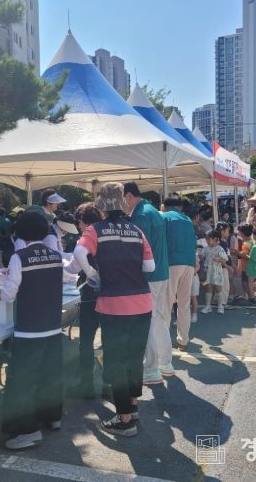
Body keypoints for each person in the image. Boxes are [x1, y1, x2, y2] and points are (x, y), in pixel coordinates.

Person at [73, 182, 154, 437]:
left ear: (102, 208)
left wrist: (91, 273)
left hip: (113, 305)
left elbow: (79, 252)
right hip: (143, 302)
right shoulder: (136, 231)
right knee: (134, 357)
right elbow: (150, 267)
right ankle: (133, 405)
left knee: (116, 361)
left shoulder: (95, 230)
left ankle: (124, 419)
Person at [0, 211, 64, 450]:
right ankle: (53, 417)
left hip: (30, 329)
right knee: (50, 374)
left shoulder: (19, 257)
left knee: (22, 381)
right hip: (53, 326)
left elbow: (10, 293)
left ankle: (27, 431)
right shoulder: (55, 255)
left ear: (20, 232)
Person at [123, 182, 171, 384]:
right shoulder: (152, 211)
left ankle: (151, 369)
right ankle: (166, 363)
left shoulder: (140, 215)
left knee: (147, 322)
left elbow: (139, 250)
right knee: (158, 319)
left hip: (149, 275)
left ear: (128, 196)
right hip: (161, 272)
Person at [64, 203, 103, 399]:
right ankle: (108, 385)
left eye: (78, 222)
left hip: (90, 295)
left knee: (86, 341)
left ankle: (86, 385)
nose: (78, 226)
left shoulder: (85, 239)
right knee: (109, 341)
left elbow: (73, 268)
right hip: (110, 294)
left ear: (82, 221)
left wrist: (60, 264)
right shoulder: (106, 235)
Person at [162, 197, 196, 351]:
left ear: (165, 207)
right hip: (189, 263)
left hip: (171, 262)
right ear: (179, 207)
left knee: (166, 304)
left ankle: (164, 342)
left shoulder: (165, 217)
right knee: (184, 304)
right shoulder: (187, 220)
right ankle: (183, 340)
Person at [14, 210, 78, 259]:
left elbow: (59, 251)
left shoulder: (55, 231)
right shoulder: (51, 236)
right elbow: (55, 255)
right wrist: (73, 255)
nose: (67, 232)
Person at [200, 230, 228, 314]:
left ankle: (220, 306)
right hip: (207, 271)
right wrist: (200, 256)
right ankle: (208, 306)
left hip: (217, 271)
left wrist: (219, 259)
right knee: (208, 288)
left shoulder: (220, 249)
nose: (207, 241)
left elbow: (224, 261)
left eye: (209, 239)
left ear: (215, 239)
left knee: (219, 289)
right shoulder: (205, 248)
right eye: (206, 239)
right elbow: (202, 257)